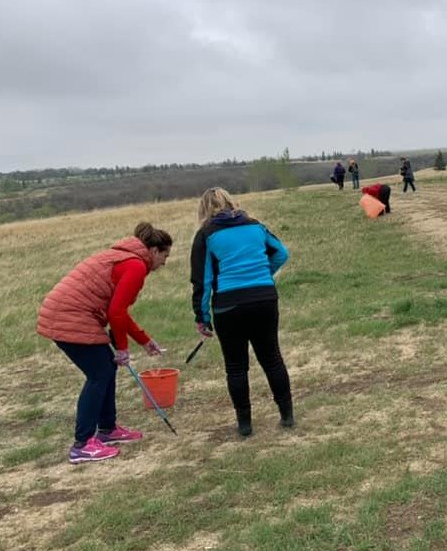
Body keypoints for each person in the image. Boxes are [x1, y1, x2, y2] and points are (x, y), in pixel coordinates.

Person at [36, 222, 173, 464]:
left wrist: (144, 340)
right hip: (69, 316)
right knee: (99, 374)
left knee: (106, 370)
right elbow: (116, 313)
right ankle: (82, 445)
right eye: (165, 255)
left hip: (71, 314)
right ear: (153, 251)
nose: (164, 262)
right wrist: (122, 349)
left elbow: (118, 311)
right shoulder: (135, 266)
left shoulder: (125, 258)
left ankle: (108, 430)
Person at [190, 187, 293, 437]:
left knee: (236, 366)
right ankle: (287, 416)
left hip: (228, 305)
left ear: (204, 209)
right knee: (272, 358)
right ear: (231, 202)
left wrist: (202, 317)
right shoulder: (256, 225)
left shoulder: (206, 234)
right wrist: (263, 274)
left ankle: (245, 425)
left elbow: (202, 281)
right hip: (265, 298)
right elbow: (281, 253)